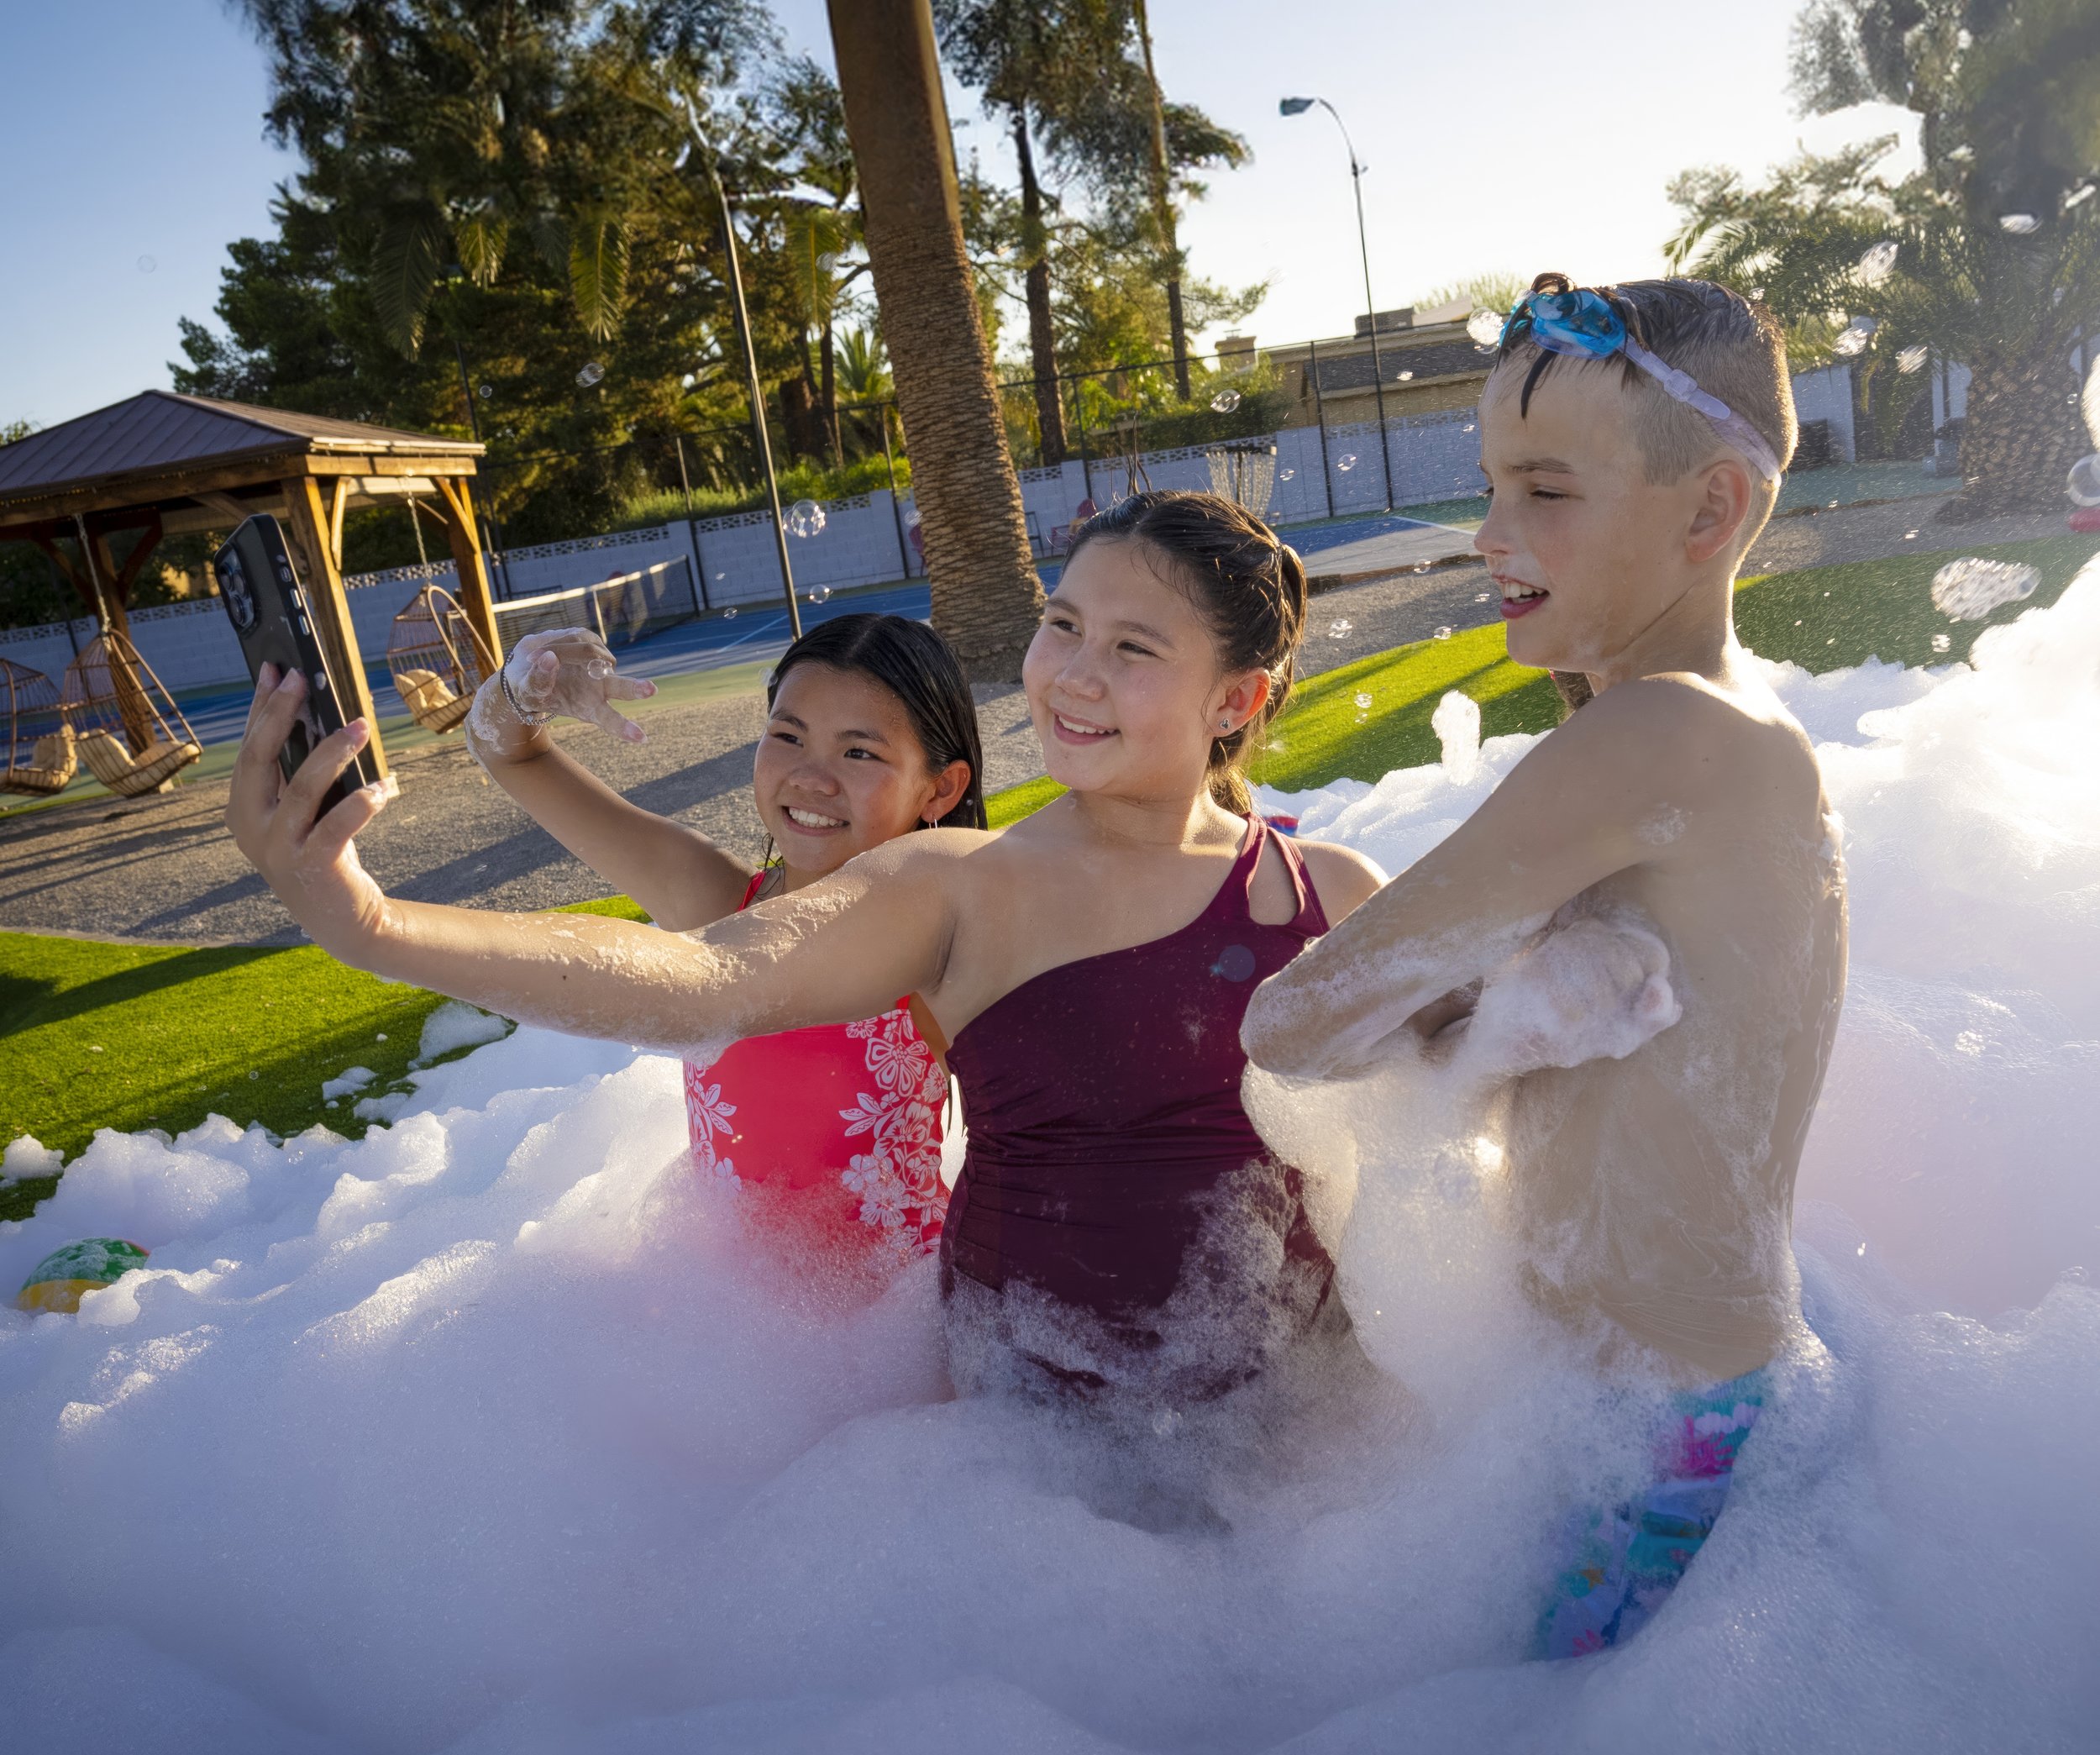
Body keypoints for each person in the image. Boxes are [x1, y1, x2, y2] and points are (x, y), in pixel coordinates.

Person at [228, 493, 1385, 1402]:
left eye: (1132, 645)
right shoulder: (954, 886)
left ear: (1237, 698)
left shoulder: (1323, 890)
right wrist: (375, 925)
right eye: (1062, 622)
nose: (1073, 672)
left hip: (1303, 1441)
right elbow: (704, 983)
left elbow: (1485, 1101)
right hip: (1036, 1453)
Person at [1241, 275, 1846, 1656]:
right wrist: (1505, 1014)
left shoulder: (1657, 741)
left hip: (1648, 1450)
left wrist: (1482, 1015)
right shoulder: (1711, 738)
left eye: (1546, 490)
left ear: (1710, 515)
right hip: (1675, 1403)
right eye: (1490, 486)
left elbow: (1297, 1025)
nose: (1491, 532)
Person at [463, 612, 983, 1260]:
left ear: (941, 787)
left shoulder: (944, 953)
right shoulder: (715, 903)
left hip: (893, 1320)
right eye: (788, 736)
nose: (811, 778)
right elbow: (507, 750)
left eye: (859, 752)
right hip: (725, 1316)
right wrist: (517, 696)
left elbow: (1061, 1141)